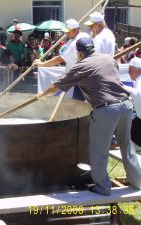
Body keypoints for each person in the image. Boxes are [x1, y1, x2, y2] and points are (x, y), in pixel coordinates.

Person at [34, 37, 141, 196]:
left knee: (99, 150)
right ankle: (138, 181)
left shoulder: (80, 66)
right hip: (125, 106)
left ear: (78, 53)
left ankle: (103, 187)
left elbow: (57, 85)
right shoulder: (108, 59)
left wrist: (42, 94)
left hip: (106, 110)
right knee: (127, 147)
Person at [34, 19, 89, 99]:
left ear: (75, 30)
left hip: (80, 78)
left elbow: (59, 59)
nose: (66, 33)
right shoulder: (82, 36)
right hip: (79, 78)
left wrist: (42, 64)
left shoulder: (75, 42)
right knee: (78, 102)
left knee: (79, 103)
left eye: (68, 31)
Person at [124, 57, 141, 148]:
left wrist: (120, 86)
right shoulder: (138, 80)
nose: (128, 72)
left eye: (130, 69)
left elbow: (138, 94)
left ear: (138, 70)